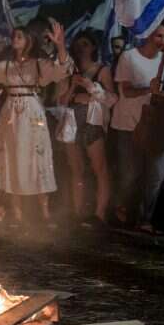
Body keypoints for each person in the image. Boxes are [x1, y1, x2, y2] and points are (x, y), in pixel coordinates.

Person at [0, 18, 72, 225]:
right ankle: (17, 214)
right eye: (13, 36)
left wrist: (60, 45)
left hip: (32, 114)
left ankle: (45, 213)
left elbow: (61, 70)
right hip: (11, 115)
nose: (14, 39)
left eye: (19, 36)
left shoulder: (38, 64)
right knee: (13, 160)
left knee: (37, 159)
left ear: (28, 40)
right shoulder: (6, 66)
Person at [110, 16, 164, 234]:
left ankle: (145, 218)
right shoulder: (129, 57)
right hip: (128, 125)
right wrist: (149, 89)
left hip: (154, 127)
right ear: (149, 34)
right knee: (131, 174)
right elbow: (126, 91)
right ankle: (123, 210)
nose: (163, 40)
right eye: (159, 35)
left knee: (156, 175)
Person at [56, 30, 116, 226]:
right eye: (79, 44)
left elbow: (112, 98)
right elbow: (61, 100)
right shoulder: (69, 71)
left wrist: (91, 89)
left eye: (86, 44)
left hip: (92, 123)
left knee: (100, 169)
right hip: (72, 124)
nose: (82, 49)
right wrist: (74, 89)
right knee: (76, 170)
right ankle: (77, 212)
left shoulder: (102, 70)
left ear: (93, 47)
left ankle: (99, 213)